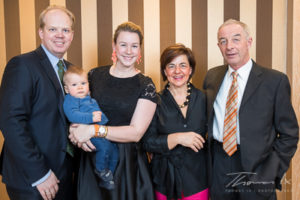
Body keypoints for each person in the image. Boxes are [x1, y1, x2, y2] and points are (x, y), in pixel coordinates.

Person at [203, 19, 299, 200]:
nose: (229, 46)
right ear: (218, 46)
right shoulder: (212, 76)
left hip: (258, 169)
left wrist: (271, 172)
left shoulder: (275, 81)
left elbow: (289, 134)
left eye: (236, 39)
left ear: (249, 42)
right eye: (223, 41)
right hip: (219, 166)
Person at [68, 21, 158, 200]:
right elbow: (78, 106)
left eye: (134, 46)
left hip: (127, 164)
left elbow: (136, 133)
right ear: (114, 46)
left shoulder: (146, 85)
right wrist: (74, 130)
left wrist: (93, 130)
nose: (129, 51)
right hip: (92, 157)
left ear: (140, 50)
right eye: (123, 45)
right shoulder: (94, 75)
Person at [0, 5, 76, 200]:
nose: (60, 35)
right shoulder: (22, 65)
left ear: (72, 35)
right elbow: (11, 122)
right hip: (32, 179)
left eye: (65, 30)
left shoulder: (72, 71)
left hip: (65, 176)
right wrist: (40, 174)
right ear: (41, 32)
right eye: (53, 29)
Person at [142, 44, 209, 200]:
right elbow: (147, 142)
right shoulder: (154, 101)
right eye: (171, 66)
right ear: (165, 71)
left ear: (190, 69)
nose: (177, 71)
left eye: (183, 65)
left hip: (197, 179)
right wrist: (178, 138)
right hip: (164, 179)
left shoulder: (204, 99)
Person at [63, 66, 118, 190]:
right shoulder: (71, 100)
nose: (80, 87)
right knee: (104, 148)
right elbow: (72, 115)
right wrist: (90, 118)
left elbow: (101, 116)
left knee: (114, 149)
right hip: (87, 133)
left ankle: (109, 175)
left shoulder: (91, 100)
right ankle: (100, 170)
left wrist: (101, 120)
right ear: (67, 89)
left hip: (98, 129)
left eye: (83, 83)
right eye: (75, 84)